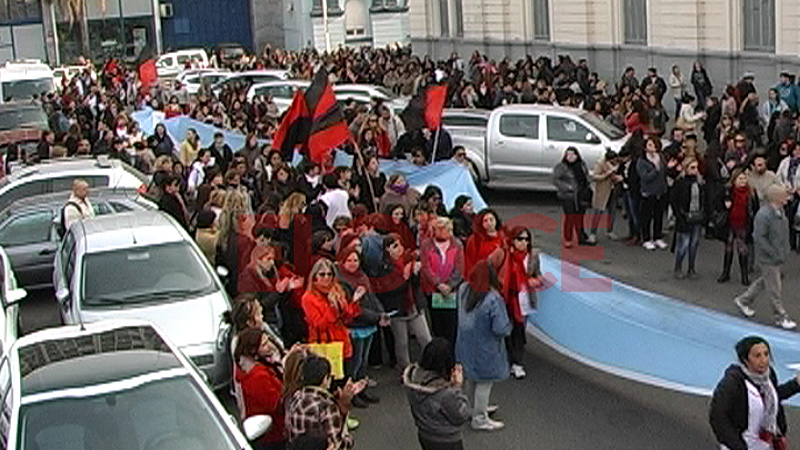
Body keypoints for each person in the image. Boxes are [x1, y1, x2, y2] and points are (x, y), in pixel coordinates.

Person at [709, 336, 800, 450]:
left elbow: (773, 397)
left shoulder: (769, 376)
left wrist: (796, 384)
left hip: (766, 445)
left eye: (766, 354)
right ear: (745, 359)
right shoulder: (733, 382)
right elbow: (718, 417)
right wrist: (738, 446)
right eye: (757, 356)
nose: (764, 360)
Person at [455, 259, 511, 431]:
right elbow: (501, 328)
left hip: (464, 345)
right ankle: (480, 417)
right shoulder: (493, 299)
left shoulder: (463, 289)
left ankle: (468, 409)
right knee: (484, 383)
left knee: (470, 380)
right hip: (486, 349)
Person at [733, 184, 796, 329]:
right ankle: (780, 316)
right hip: (768, 258)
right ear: (776, 197)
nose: (787, 198)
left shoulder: (779, 212)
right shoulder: (763, 215)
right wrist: (773, 253)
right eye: (784, 196)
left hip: (777, 255)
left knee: (765, 281)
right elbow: (759, 238)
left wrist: (785, 250)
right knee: (774, 288)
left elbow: (783, 233)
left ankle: (743, 300)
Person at [336, 244, 385, 408]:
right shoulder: (341, 281)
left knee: (363, 362)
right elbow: (354, 309)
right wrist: (377, 317)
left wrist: (382, 313)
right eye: (348, 260)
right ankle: (352, 394)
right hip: (355, 326)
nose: (352, 263)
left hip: (368, 325)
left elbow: (371, 298)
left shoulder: (362, 276)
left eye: (355, 260)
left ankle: (362, 390)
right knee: (354, 364)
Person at [373, 233, 432, 370]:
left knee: (425, 338)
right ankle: (405, 370)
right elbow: (388, 291)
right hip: (397, 309)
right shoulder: (384, 267)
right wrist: (406, 278)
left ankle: (430, 366)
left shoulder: (408, 261)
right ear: (387, 249)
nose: (399, 249)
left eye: (400, 245)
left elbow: (418, 285)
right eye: (394, 246)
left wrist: (416, 274)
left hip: (413, 306)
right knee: (402, 343)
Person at [285, 355, 365, 450]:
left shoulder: (296, 396)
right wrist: (349, 439)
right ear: (325, 379)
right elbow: (338, 445)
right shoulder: (327, 407)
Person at [403, 338, 471, 450]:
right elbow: (462, 414)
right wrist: (457, 387)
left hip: (425, 434)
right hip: (447, 439)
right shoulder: (446, 394)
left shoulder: (413, 380)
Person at [498, 226, 542, 380]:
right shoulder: (506, 255)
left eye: (526, 239)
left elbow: (539, 277)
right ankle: (507, 359)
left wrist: (534, 282)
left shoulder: (533, 256)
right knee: (506, 329)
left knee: (519, 330)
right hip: (508, 298)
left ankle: (517, 362)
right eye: (520, 239)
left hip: (524, 300)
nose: (524, 242)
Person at [234, 327, 287, 450]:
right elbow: (276, 403)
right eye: (264, 344)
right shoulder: (257, 376)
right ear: (253, 351)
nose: (269, 345)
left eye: (268, 340)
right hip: (272, 435)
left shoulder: (256, 369)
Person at [420, 217, 464, 349]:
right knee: (437, 326)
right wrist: (438, 284)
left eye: (449, 229)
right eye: (443, 229)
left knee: (451, 326)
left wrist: (450, 285)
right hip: (433, 291)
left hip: (451, 291)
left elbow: (460, 268)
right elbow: (426, 267)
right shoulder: (426, 244)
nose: (447, 232)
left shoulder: (457, 244)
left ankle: (450, 355)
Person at [717, 169, 759, 285]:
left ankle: (744, 276)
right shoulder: (728, 191)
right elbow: (718, 204)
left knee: (742, 249)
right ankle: (725, 273)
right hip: (729, 223)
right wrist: (725, 206)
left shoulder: (751, 193)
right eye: (740, 179)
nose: (743, 181)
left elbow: (755, 209)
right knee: (728, 248)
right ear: (734, 180)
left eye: (745, 178)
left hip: (743, 224)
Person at [670, 159, 706, 279]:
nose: (695, 170)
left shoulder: (700, 183)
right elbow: (674, 200)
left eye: (696, 167)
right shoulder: (680, 183)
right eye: (692, 167)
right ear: (686, 169)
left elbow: (703, 199)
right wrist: (678, 215)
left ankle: (691, 268)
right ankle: (678, 266)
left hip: (696, 217)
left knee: (694, 244)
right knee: (683, 244)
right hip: (684, 217)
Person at [553, 146, 592, 248]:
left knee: (579, 217)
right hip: (568, 196)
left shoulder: (581, 165)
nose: (570, 157)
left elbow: (586, 176)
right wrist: (567, 187)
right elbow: (555, 180)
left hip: (580, 195)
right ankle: (568, 239)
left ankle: (581, 237)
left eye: (572, 154)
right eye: (568, 154)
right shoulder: (562, 167)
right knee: (570, 217)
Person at [637, 136, 670, 251]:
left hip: (660, 191)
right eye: (650, 145)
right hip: (648, 192)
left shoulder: (660, 157)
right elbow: (645, 177)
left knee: (658, 215)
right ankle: (646, 238)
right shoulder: (642, 161)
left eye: (654, 145)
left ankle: (657, 236)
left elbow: (665, 171)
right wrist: (655, 169)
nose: (652, 147)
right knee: (646, 216)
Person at [588, 150, 622, 243]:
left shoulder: (619, 163)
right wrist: (607, 174)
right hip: (602, 191)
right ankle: (592, 233)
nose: (615, 162)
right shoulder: (600, 163)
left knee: (612, 212)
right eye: (613, 161)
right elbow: (595, 176)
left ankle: (610, 231)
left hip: (613, 190)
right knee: (598, 212)